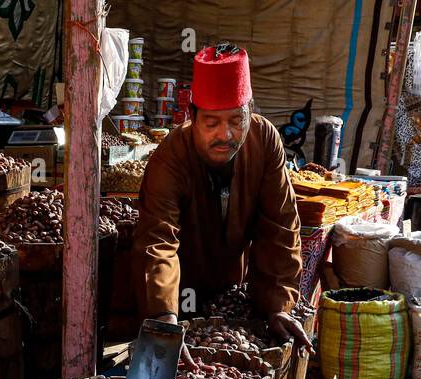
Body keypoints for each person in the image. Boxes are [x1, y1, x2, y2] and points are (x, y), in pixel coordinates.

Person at [130, 43, 310, 349]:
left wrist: (279, 305)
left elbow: (280, 226)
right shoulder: (171, 156)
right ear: (192, 116)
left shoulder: (264, 140)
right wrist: (163, 317)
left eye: (236, 121)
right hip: (178, 293)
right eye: (211, 123)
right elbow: (157, 241)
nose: (225, 135)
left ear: (250, 112)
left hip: (230, 292)